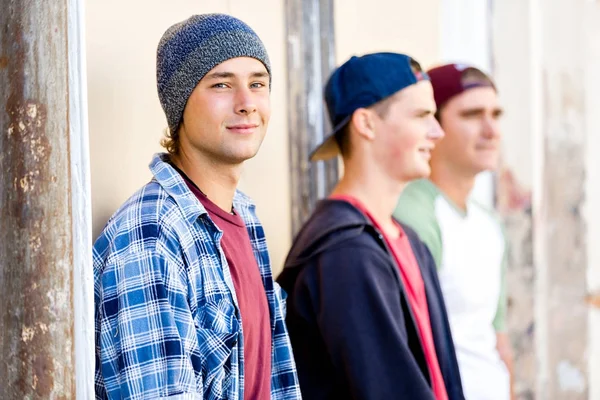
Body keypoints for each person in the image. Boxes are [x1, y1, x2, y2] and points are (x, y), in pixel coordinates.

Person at [93, 14, 301, 400]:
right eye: (221, 84)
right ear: (179, 104)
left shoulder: (243, 217)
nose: (246, 104)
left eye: (258, 84)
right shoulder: (152, 233)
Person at [277, 52, 464, 400]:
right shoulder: (344, 253)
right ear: (366, 124)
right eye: (422, 115)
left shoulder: (408, 241)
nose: (437, 132)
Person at [394, 63, 513, 400]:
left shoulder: (488, 221)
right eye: (473, 114)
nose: (491, 130)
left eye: (496, 114)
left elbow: (497, 337)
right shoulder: (413, 215)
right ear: (435, 126)